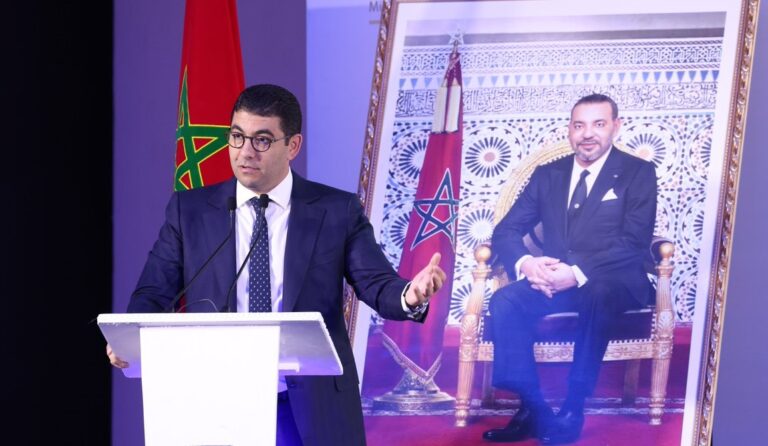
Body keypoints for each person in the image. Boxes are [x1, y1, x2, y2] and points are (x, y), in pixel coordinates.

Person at [107, 84, 446, 446]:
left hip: (310, 403)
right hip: (216, 399)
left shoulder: (335, 211)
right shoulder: (190, 211)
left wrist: (410, 294)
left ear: (293, 146)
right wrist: (129, 338)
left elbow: (376, 283)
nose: (245, 152)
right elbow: (154, 291)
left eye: (262, 140)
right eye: (237, 136)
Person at [482, 94, 657, 444]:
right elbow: (506, 231)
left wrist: (575, 273)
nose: (587, 134)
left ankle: (573, 407)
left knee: (597, 292)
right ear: (569, 130)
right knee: (505, 301)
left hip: (613, 281)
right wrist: (529, 264)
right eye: (579, 125)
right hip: (553, 280)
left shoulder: (638, 173)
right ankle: (533, 408)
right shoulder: (549, 174)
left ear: (616, 127)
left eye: (598, 124)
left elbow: (634, 242)